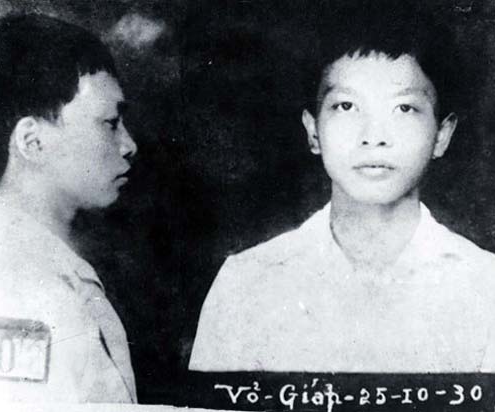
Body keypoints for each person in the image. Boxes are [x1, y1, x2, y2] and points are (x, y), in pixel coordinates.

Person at [190, 0, 495, 372]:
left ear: (442, 135)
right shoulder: (245, 283)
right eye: (347, 106)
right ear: (313, 131)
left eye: (404, 109)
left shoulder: (486, 286)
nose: (374, 136)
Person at [0, 14, 138, 402]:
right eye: (110, 123)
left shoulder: (47, 266)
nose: (128, 145)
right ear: (33, 142)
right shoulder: (21, 284)